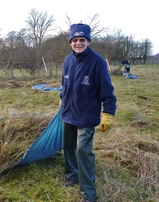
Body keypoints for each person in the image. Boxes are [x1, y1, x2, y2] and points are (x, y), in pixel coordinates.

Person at [60, 23, 117, 202]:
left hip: (86, 115)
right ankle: (71, 176)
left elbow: (106, 90)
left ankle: (88, 194)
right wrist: (62, 97)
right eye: (75, 40)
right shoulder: (68, 60)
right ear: (70, 42)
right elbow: (65, 83)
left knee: (82, 151)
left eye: (82, 40)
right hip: (68, 112)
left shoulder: (97, 61)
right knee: (69, 147)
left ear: (88, 41)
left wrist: (108, 112)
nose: (78, 43)